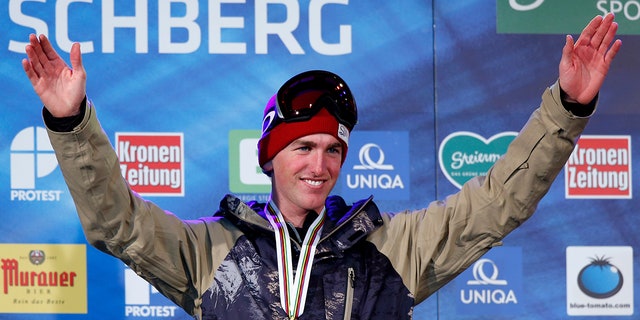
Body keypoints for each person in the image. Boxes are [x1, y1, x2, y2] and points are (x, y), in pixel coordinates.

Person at [22, 13, 621, 320]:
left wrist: (567, 108)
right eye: (302, 148)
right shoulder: (211, 251)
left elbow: (497, 203)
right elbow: (116, 226)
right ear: (269, 157)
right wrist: (73, 124)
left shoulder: (394, 248)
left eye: (333, 149)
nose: (321, 163)